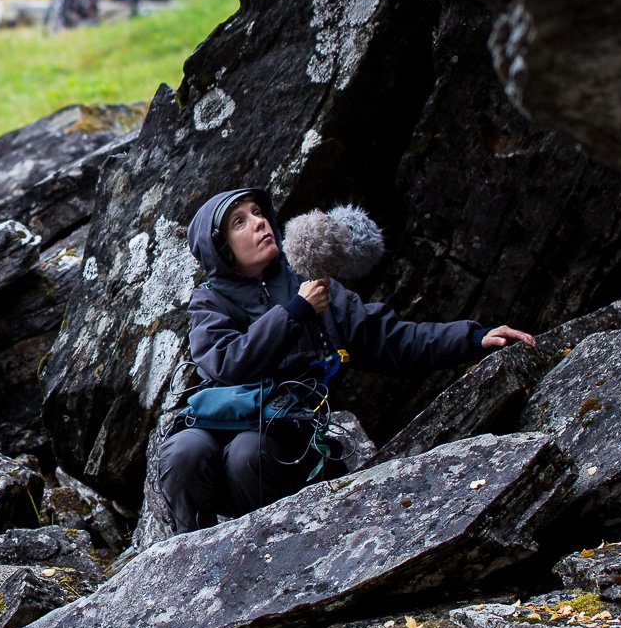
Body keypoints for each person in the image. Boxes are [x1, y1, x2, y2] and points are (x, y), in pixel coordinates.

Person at [158, 186, 534, 533]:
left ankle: (265, 552)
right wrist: (294, 312)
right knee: (184, 451)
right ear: (220, 248)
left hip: (286, 437)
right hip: (220, 422)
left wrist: (472, 337)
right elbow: (226, 363)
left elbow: (392, 340)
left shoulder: (310, 285)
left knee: (247, 454)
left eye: (258, 212)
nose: (258, 222)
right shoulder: (209, 301)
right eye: (239, 222)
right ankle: (192, 556)